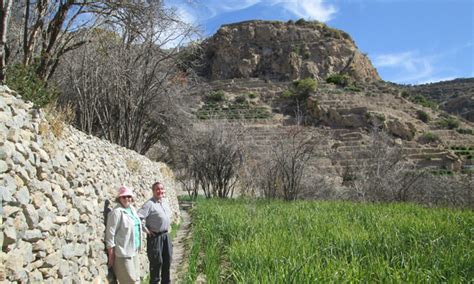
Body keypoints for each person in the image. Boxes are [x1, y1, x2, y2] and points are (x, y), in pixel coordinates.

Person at [105, 186, 142, 283]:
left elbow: (137, 225)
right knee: (129, 281)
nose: (127, 199)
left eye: (129, 196)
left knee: (136, 279)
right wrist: (111, 252)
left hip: (134, 250)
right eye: (124, 197)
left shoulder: (132, 210)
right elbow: (110, 232)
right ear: (119, 198)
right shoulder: (116, 212)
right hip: (123, 252)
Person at [138, 182, 173, 284]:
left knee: (167, 262)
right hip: (155, 238)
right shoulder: (149, 204)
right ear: (153, 191)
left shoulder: (165, 202)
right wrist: (146, 229)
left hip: (166, 236)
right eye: (157, 189)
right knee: (156, 263)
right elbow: (138, 218)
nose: (160, 191)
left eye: (161, 189)